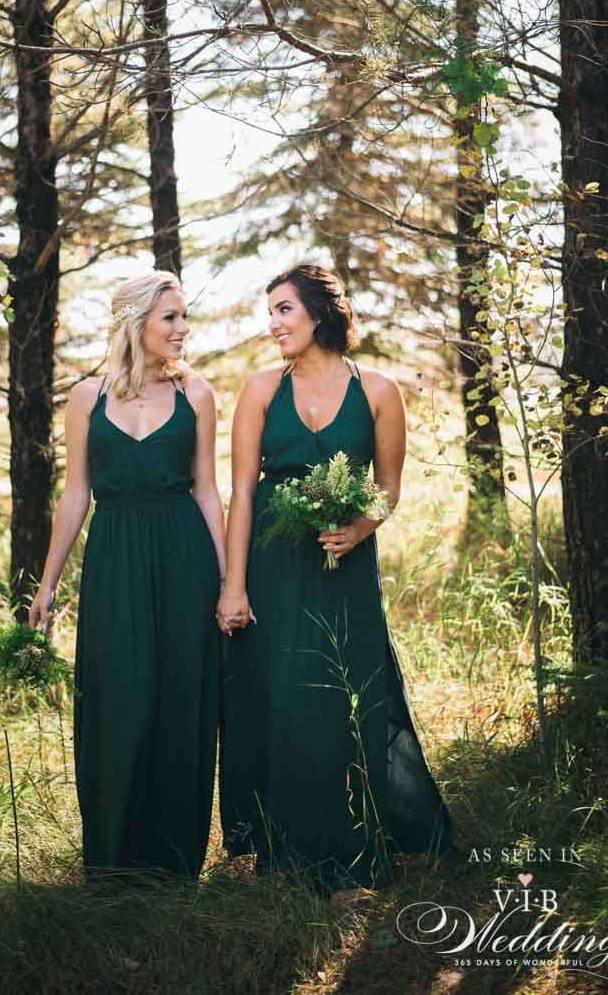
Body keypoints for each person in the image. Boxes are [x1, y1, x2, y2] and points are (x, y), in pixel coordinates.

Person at [216, 263, 454, 897]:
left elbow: (389, 489)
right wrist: (233, 585)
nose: (273, 325)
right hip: (272, 567)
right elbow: (240, 493)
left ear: (319, 313)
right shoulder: (260, 390)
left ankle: (354, 852)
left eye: (284, 310)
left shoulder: (377, 389)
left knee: (348, 702)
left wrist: (360, 528)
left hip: (346, 569)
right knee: (287, 701)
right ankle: (288, 856)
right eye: (270, 313)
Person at [29, 271, 226, 881]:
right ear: (135, 321)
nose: (182, 329)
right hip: (113, 562)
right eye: (170, 317)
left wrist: (229, 583)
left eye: (184, 316)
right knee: (117, 702)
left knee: (180, 702)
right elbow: (75, 495)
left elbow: (208, 493)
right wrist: (48, 582)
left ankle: (171, 866)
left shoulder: (198, 394)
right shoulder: (88, 397)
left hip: (184, 562)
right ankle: (112, 863)